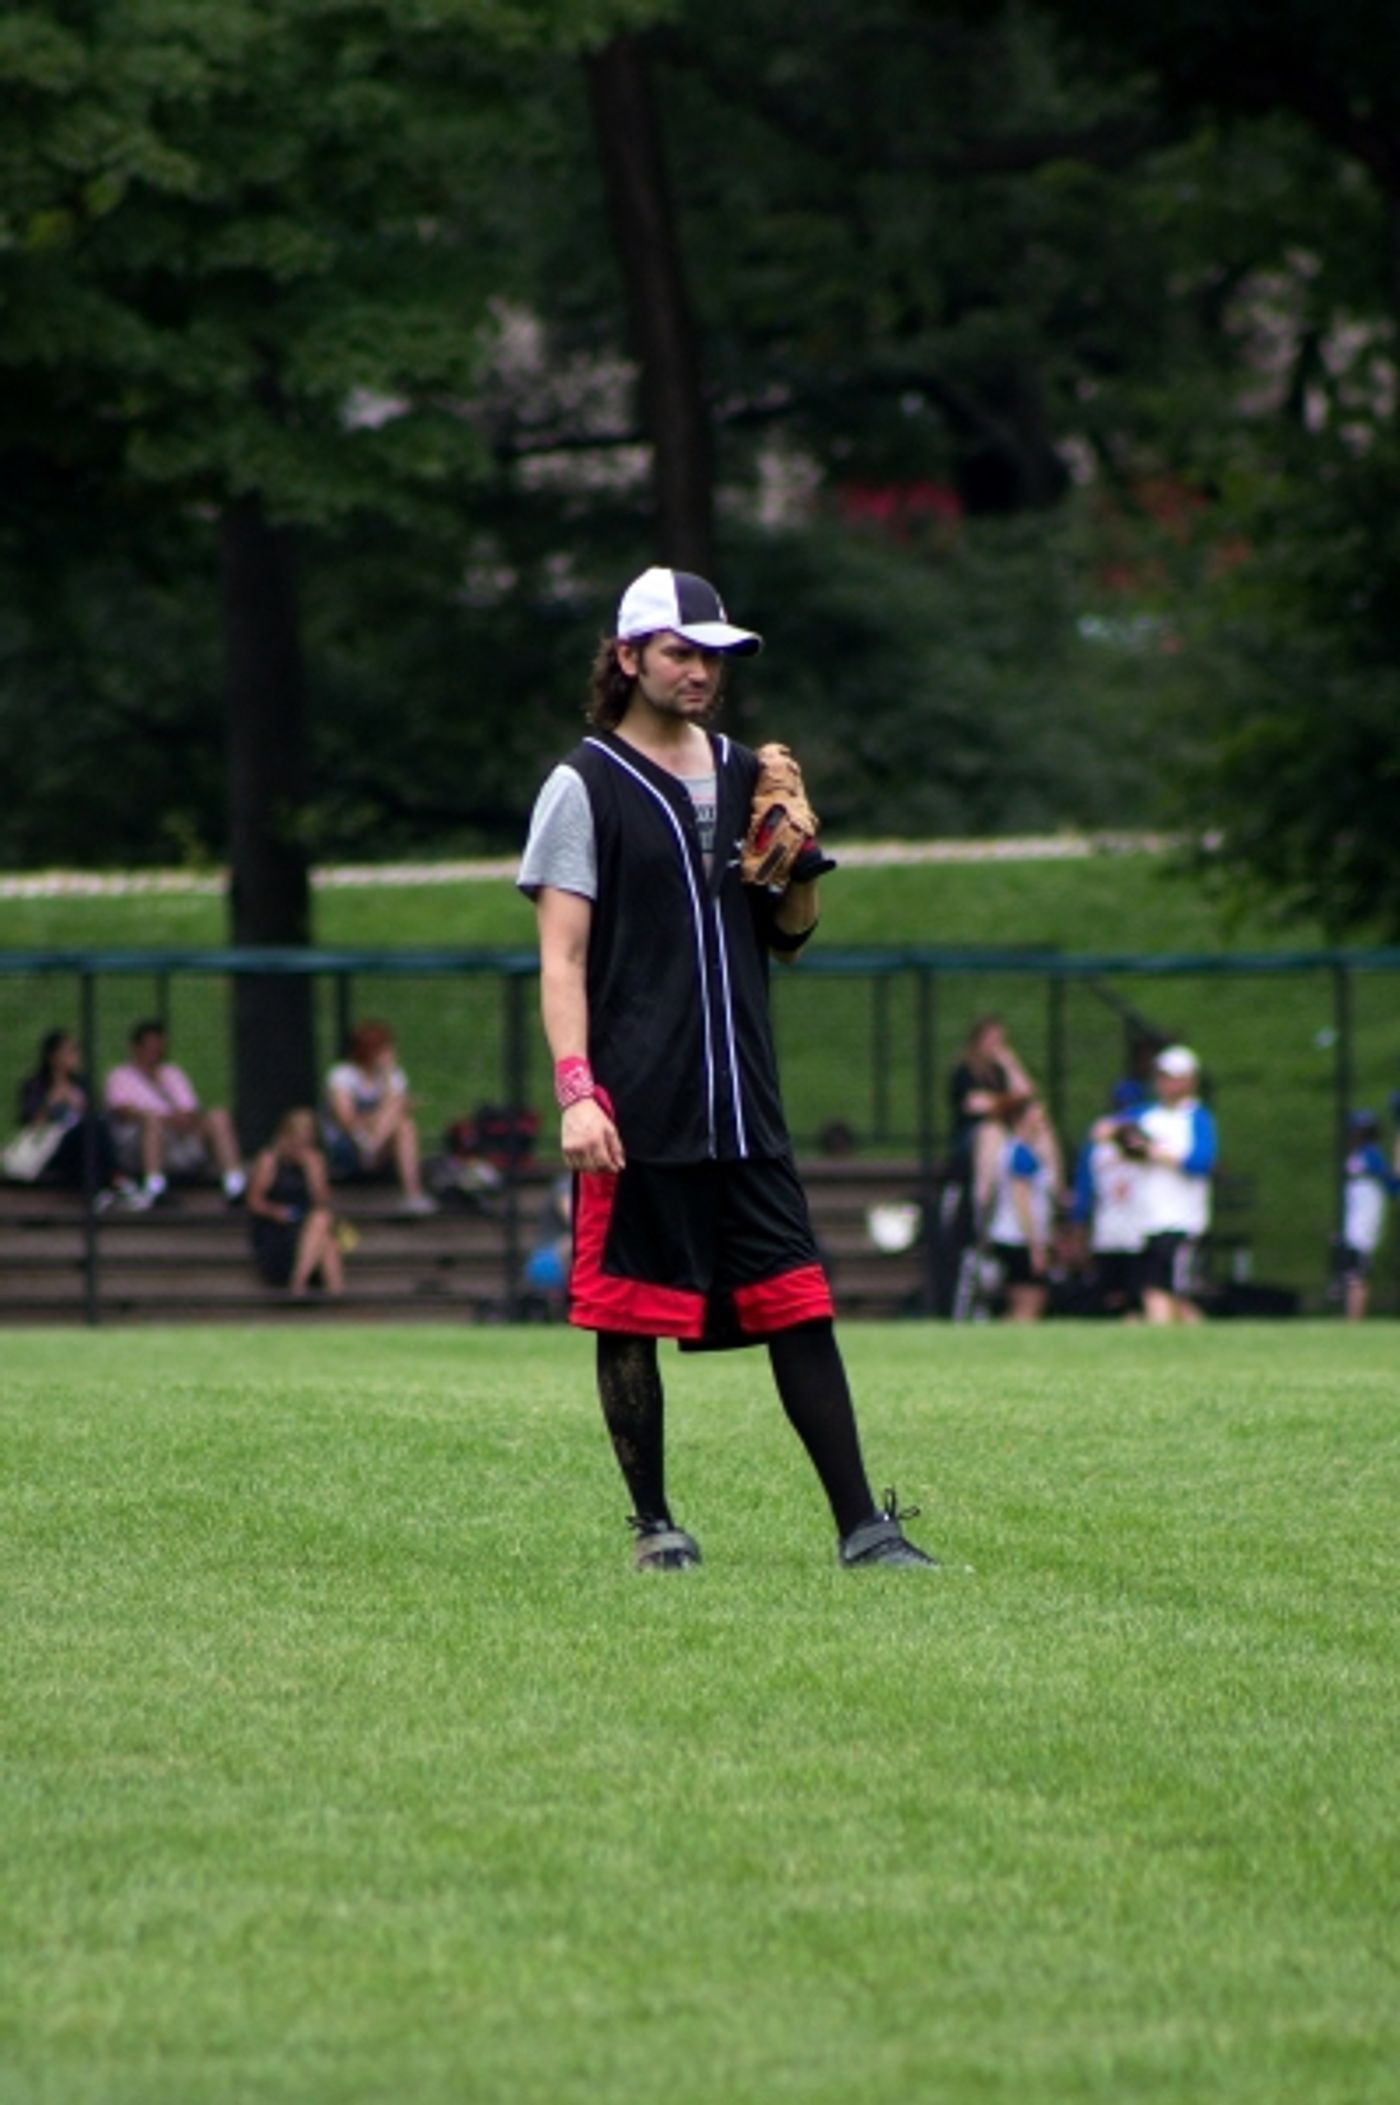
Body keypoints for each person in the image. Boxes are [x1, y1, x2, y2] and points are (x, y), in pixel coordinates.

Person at [518, 564, 937, 1571]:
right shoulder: (582, 785)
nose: (700, 669)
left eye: (713, 653)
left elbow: (785, 935)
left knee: (799, 1301)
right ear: (627, 658)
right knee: (626, 1314)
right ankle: (654, 1523)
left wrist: (795, 880)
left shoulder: (752, 773)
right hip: (636, 1100)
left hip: (742, 1097)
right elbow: (560, 957)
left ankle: (861, 1528)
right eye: (678, 650)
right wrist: (576, 1090)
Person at [104, 1019, 246, 1205]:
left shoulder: (173, 1074)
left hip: (179, 1141)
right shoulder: (120, 1076)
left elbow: (190, 1111)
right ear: (136, 1048)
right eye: (150, 1046)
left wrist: (182, 1120)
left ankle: (235, 1185)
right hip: (140, 1143)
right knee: (152, 1120)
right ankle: (155, 1187)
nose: (155, 1051)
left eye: (159, 1046)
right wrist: (162, 1120)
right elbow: (122, 1111)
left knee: (218, 1116)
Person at [1132, 1044, 1217, 1325]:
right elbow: (1111, 1131)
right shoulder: (1147, 1116)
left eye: (1175, 1077)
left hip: (1182, 1219)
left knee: (1173, 1292)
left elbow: (1201, 1162)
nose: (1167, 1084)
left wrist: (1158, 1152)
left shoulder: (1197, 1118)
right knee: (1155, 1288)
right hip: (1149, 1217)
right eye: (1163, 1077)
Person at [322, 1020, 437, 1214]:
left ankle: (412, 1195)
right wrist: (389, 1111)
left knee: (405, 1126)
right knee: (398, 1107)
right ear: (370, 1051)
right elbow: (347, 1121)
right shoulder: (342, 1076)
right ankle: (368, 1145)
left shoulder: (393, 1075)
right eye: (386, 1049)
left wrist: (388, 1077)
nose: (392, 1053)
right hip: (348, 1146)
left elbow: (392, 1111)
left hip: (374, 1152)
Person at [10, 1029, 132, 1204]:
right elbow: (33, 1123)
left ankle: (110, 1184)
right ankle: (116, 1180)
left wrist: (81, 1106)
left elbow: (99, 1118)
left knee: (94, 1126)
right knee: (89, 1128)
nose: (76, 1056)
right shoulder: (37, 1084)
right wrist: (50, 1102)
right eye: (70, 1051)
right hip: (51, 1147)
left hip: (81, 1145)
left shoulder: (81, 1084)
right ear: (53, 1056)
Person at [1067, 1080, 1150, 1318]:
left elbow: (1083, 1192)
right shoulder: (1101, 1146)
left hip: (1120, 1231)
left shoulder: (1100, 1145)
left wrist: (1079, 1224)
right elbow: (1085, 1190)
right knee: (1122, 1298)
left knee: (1121, 1297)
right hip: (1124, 1231)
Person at [246, 1108, 346, 1297]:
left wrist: (313, 1172)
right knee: (322, 1226)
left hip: (306, 1230)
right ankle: (306, 1285)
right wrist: (277, 1212)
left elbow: (322, 1201)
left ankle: (309, 1284)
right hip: (277, 1231)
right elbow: (254, 1201)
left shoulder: (314, 1161)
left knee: (325, 1233)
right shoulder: (269, 1161)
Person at [981, 1095, 1060, 1321]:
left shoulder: (1019, 1150)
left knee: (1028, 1301)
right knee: (1028, 1302)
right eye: (1037, 1116)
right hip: (1018, 1238)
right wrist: (1035, 1245)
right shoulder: (1020, 1153)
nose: (1042, 1122)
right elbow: (1021, 1201)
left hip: (1016, 1237)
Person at [1333, 1110, 1397, 1321]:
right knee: (1353, 1269)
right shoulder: (1360, 1155)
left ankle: (1354, 1319)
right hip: (1356, 1219)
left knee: (1357, 1270)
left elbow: (1391, 1184)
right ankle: (1352, 1317)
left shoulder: (1370, 1155)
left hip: (1364, 1220)